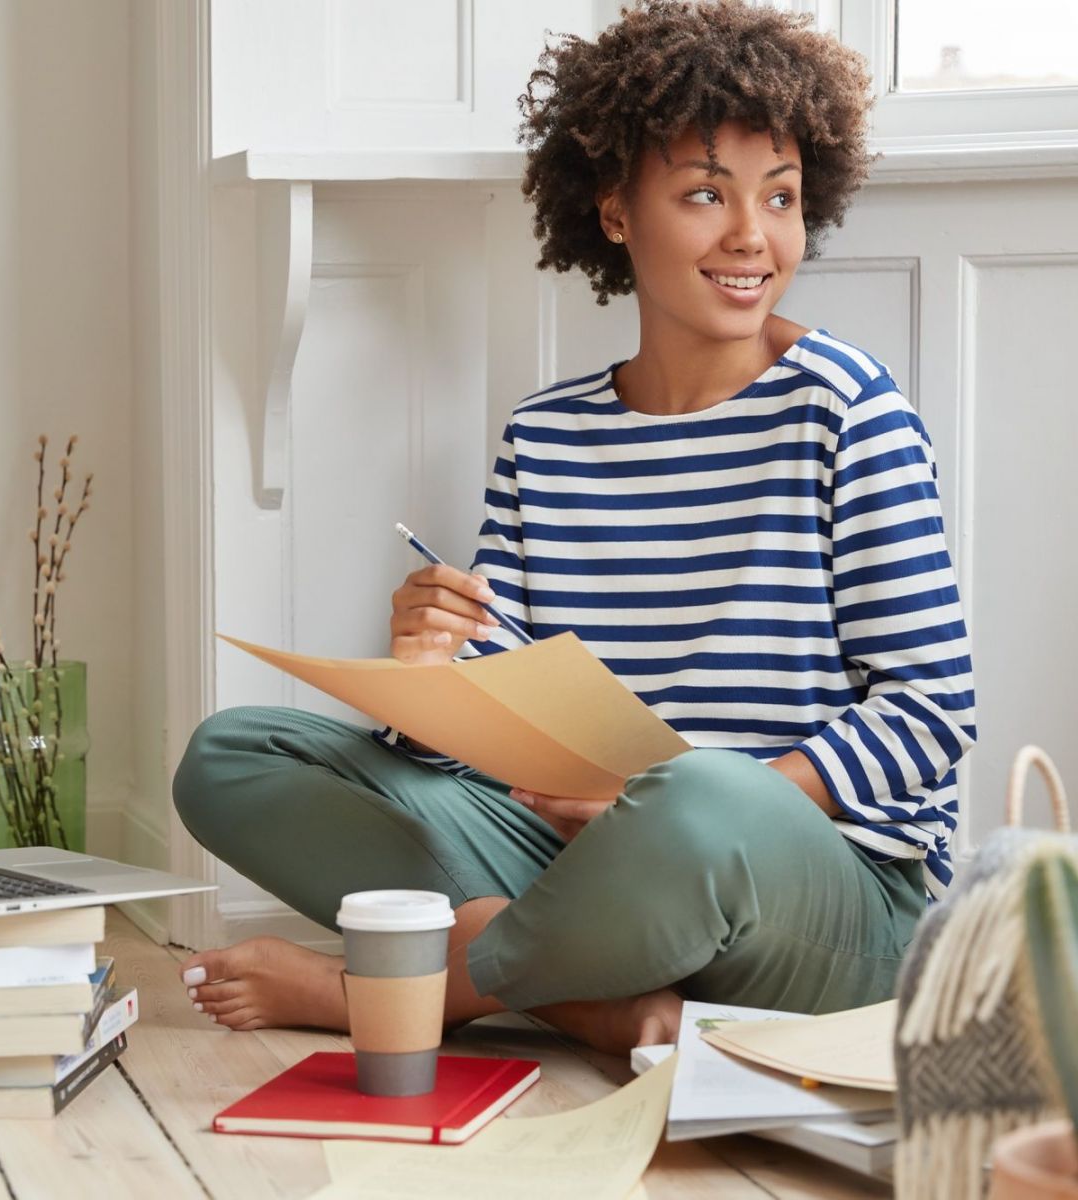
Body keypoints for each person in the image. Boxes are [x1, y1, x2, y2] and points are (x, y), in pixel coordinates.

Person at [172, 0, 976, 1055]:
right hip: (584, 866)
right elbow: (486, 732)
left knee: (696, 800)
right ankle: (603, 1004)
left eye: (780, 197)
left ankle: (408, 992)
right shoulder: (548, 435)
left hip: (818, 896)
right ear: (613, 211)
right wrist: (429, 675)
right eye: (705, 194)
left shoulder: (847, 410)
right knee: (233, 755)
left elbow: (931, 710)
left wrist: (681, 809)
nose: (753, 236)